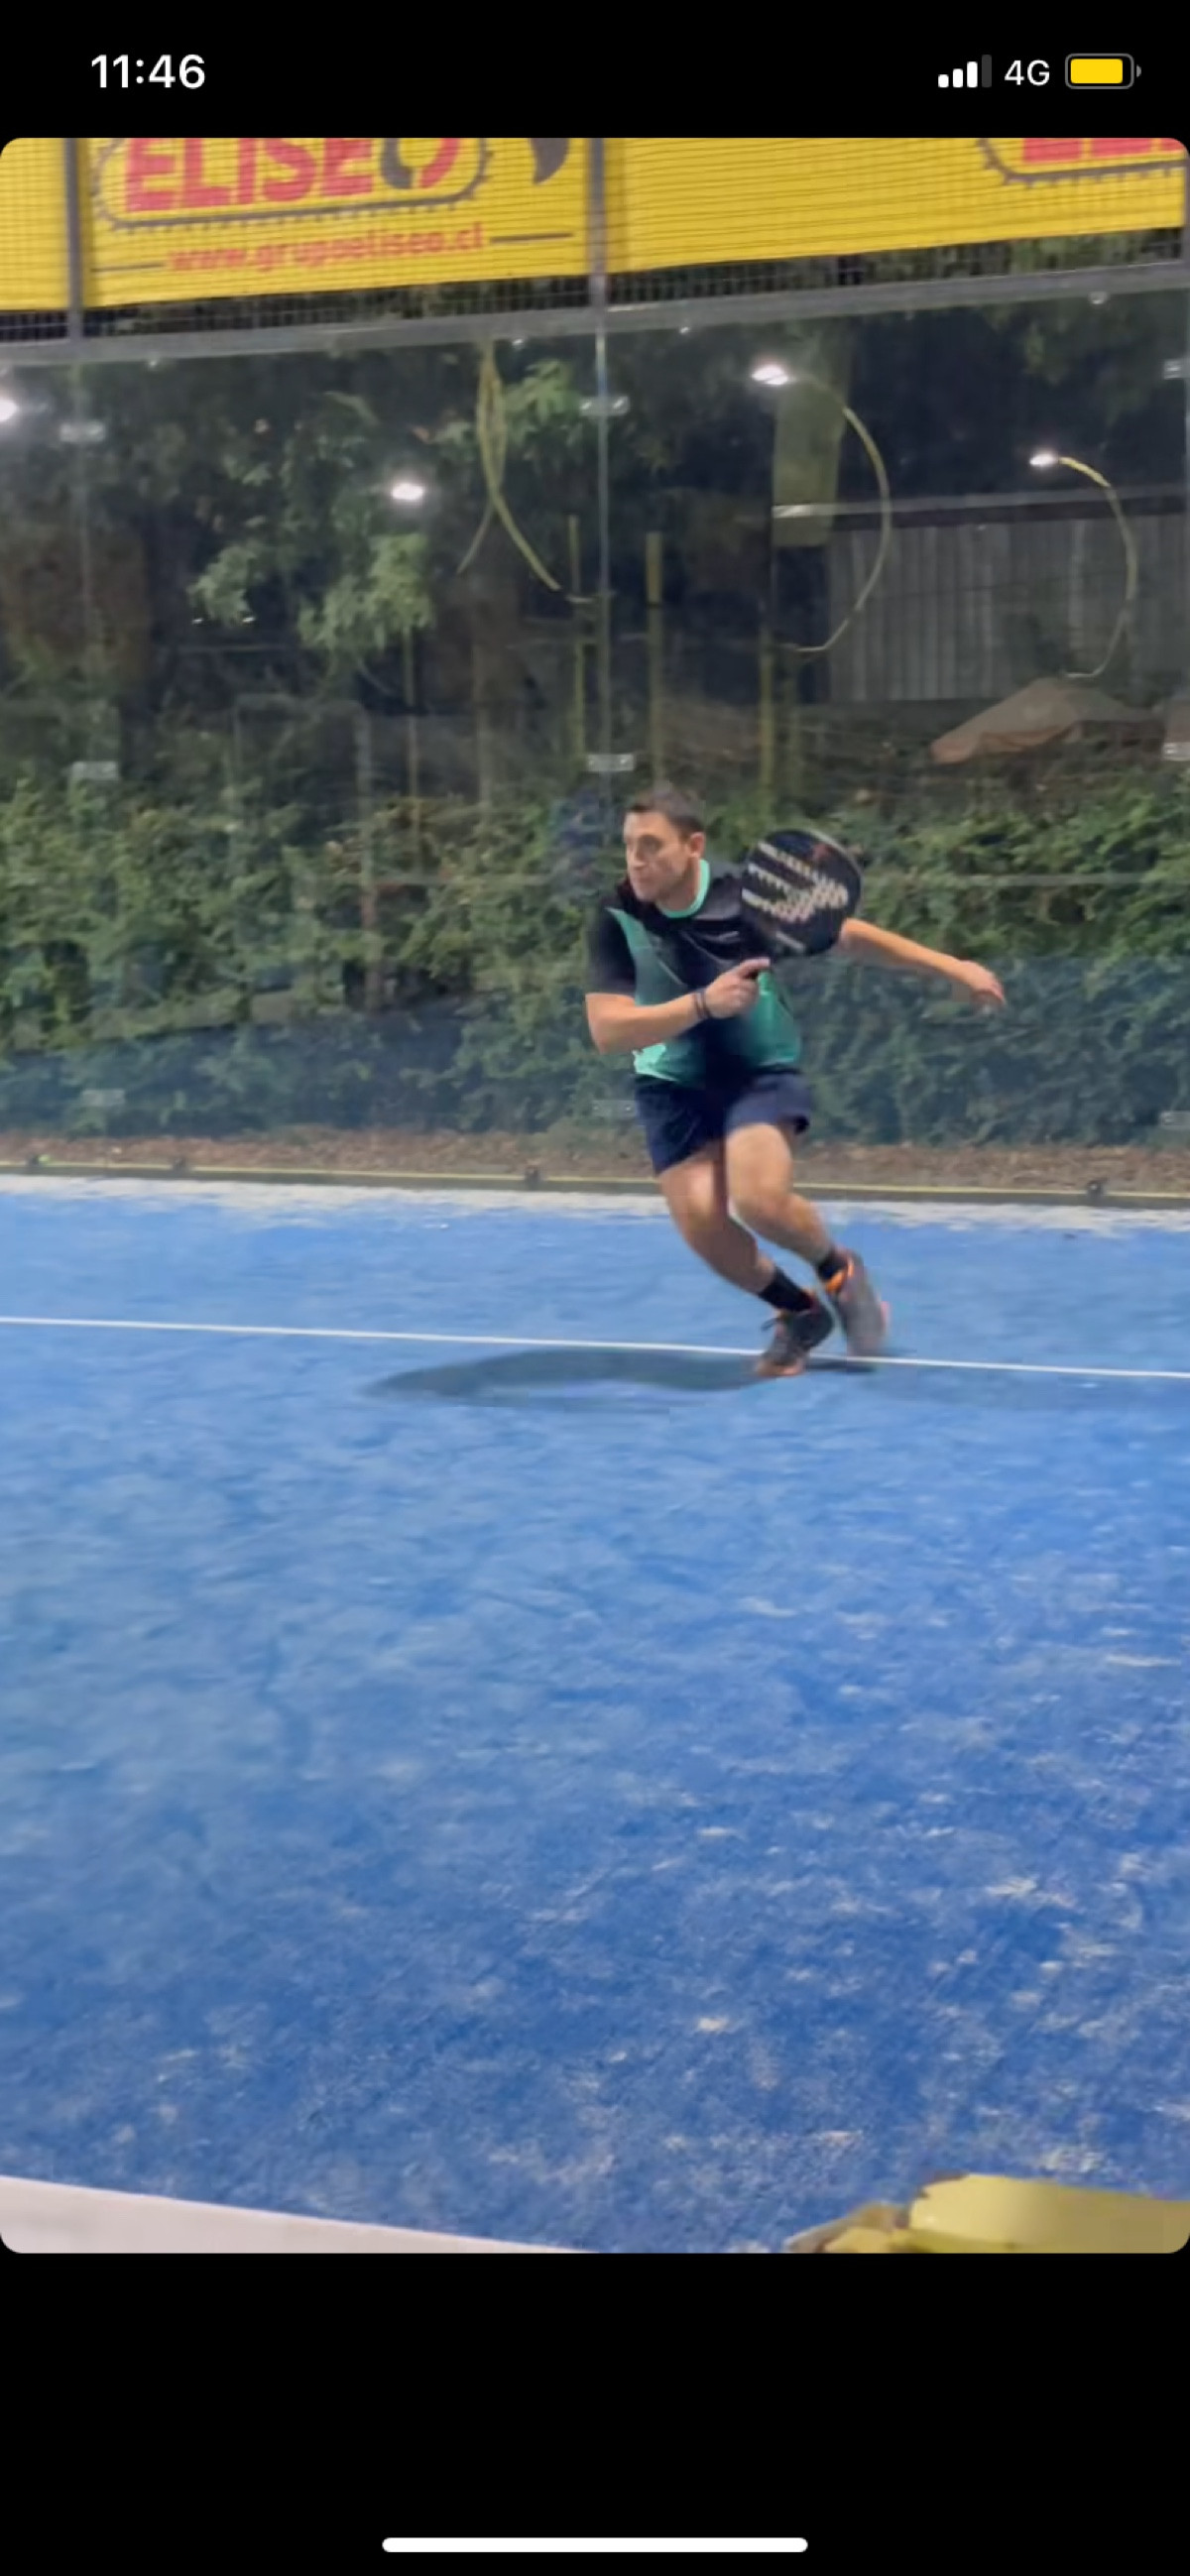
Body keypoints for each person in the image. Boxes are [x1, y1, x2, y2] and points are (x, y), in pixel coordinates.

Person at [583, 785, 1006, 1376]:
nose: (636, 859)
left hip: (758, 1073)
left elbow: (846, 935)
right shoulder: (616, 918)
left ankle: (838, 1270)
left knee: (759, 1200)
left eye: (651, 845)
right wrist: (703, 1004)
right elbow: (608, 1030)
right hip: (670, 1087)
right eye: (629, 846)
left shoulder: (745, 896)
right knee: (702, 1224)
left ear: (693, 845)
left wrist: (952, 967)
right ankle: (799, 1313)